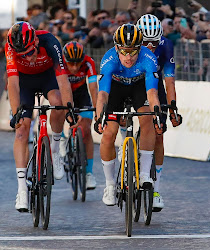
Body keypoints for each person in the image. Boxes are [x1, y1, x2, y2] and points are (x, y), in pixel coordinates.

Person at [6, 21, 74, 212]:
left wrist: (69, 109)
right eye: (22, 55)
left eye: (30, 52)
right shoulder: (11, 47)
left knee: (59, 102)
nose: (27, 57)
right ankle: (21, 190)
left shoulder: (50, 42)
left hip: (48, 78)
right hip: (24, 82)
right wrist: (16, 113)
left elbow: (63, 80)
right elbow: (13, 84)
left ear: (36, 41)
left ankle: (55, 148)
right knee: (21, 131)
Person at [94, 24, 162, 206]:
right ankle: (109, 185)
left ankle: (145, 174)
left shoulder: (149, 58)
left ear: (140, 48)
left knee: (147, 119)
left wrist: (157, 114)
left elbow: (152, 94)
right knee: (109, 133)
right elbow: (103, 94)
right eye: (124, 52)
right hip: (116, 89)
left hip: (139, 87)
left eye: (133, 52)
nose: (129, 57)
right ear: (117, 48)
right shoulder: (109, 60)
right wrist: (99, 116)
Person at [132, 14, 182, 210]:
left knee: (158, 135)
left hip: (154, 85)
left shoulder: (166, 45)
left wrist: (172, 107)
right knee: (121, 118)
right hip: (130, 84)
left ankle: (156, 190)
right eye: (145, 42)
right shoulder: (130, 43)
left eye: (154, 42)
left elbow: (169, 80)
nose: (150, 46)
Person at [62, 41, 98, 189]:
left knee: (86, 130)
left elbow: (94, 89)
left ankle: (88, 173)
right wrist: (67, 112)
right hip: (64, 93)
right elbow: (60, 90)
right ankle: (64, 139)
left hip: (82, 94)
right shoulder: (60, 64)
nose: (75, 67)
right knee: (64, 115)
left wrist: (97, 112)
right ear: (65, 60)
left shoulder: (89, 63)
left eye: (78, 63)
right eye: (71, 64)